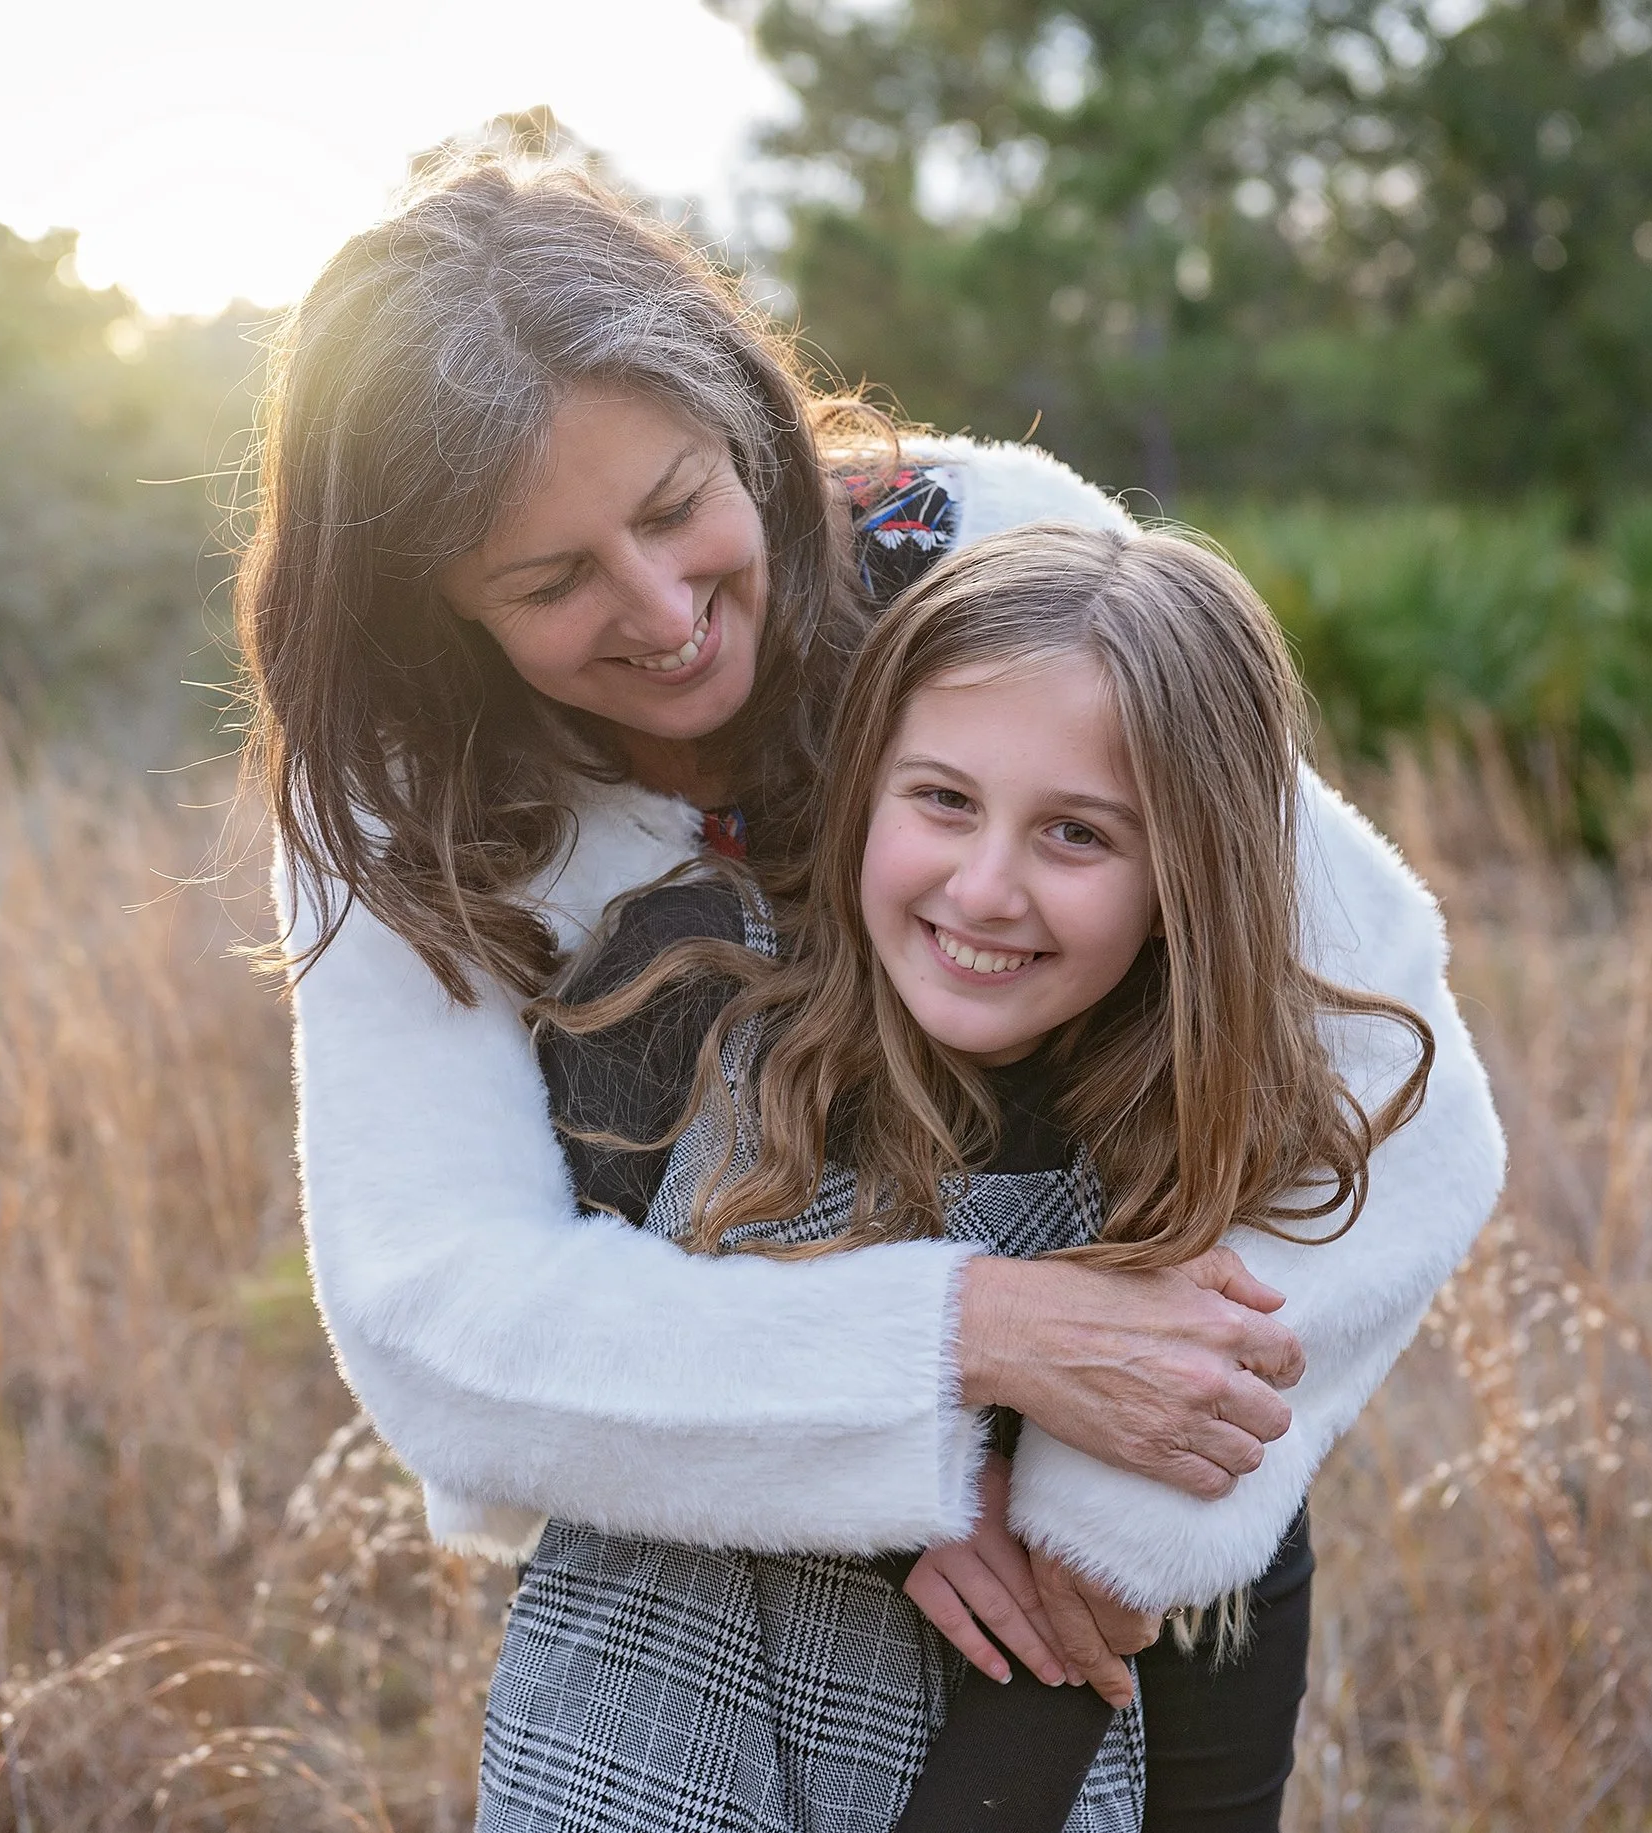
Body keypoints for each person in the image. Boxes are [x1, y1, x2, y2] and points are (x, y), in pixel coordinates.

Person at [243, 156, 1506, 1827]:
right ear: (433, 607)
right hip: (696, 1610)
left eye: (681, 503)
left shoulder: (1001, 556)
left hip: (1120, 1611)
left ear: (748, 425)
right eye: (552, 586)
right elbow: (442, 1321)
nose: (665, 612)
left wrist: (1097, 1521)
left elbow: (1388, 1075)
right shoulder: (396, 802)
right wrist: (968, 1349)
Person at [479, 522, 1437, 1832]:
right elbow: (526, 1379)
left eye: (1078, 836)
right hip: (642, 1751)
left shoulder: (1191, 1135)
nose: (985, 890)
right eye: (942, 800)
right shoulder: (683, 1000)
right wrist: (894, 1469)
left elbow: (1222, 1577)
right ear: (866, 783)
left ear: (1186, 878)